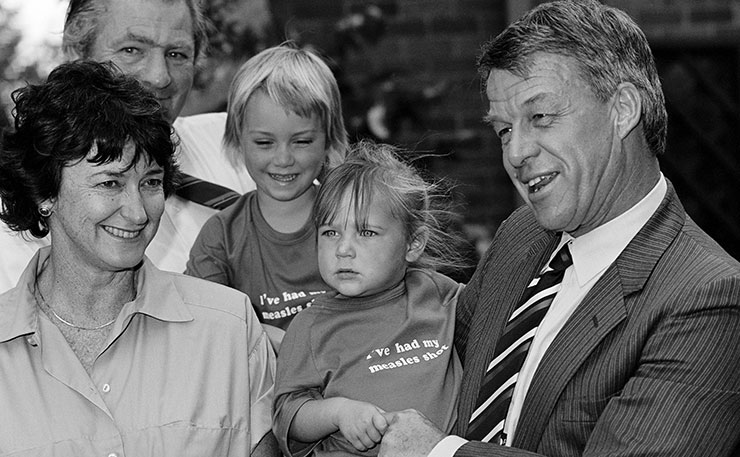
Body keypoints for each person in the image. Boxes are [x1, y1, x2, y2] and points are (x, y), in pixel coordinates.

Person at [378, 1, 740, 456]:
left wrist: (440, 453)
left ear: (623, 109)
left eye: (541, 117)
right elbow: (434, 362)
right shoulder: (521, 235)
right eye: (504, 130)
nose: (516, 153)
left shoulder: (711, 297)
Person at [0, 60, 277, 456]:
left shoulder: (230, 329)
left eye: (150, 182)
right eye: (110, 182)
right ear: (45, 193)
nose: (138, 211)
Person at [0, 0, 256, 292]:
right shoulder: (13, 223)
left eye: (177, 54)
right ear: (74, 54)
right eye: (132, 50)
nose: (159, 77)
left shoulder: (245, 146)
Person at [273, 141, 467, 456]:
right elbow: (288, 416)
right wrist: (338, 412)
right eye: (330, 232)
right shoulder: (311, 327)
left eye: (366, 233)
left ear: (413, 243)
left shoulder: (440, 294)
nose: (343, 249)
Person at [185, 44, 348, 347]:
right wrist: (278, 342)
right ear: (237, 142)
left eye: (301, 141)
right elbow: (202, 325)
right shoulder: (221, 236)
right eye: (264, 143)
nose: (283, 158)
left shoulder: (350, 222)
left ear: (329, 141)